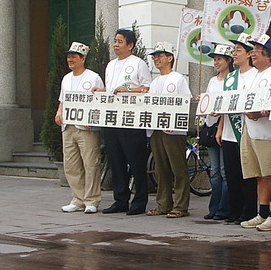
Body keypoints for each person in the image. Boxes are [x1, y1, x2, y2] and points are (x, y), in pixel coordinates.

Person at [96, 29, 152, 215]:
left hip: (132, 120)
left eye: (120, 41)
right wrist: (101, 92)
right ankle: (120, 200)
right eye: (115, 41)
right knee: (116, 161)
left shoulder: (138, 64)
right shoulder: (110, 65)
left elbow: (147, 89)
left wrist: (128, 91)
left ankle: (140, 201)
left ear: (130, 45)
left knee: (136, 161)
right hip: (112, 119)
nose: (116, 45)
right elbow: (111, 90)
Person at [239, 34, 271, 232]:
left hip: (268, 133)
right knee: (258, 175)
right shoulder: (254, 75)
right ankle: (263, 212)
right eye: (253, 50)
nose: (253, 54)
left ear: (269, 54)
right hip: (250, 130)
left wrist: (259, 112)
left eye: (257, 50)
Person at [55, 42, 105, 214]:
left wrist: (94, 120)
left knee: (90, 163)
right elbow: (62, 100)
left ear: (83, 59)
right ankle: (78, 199)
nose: (70, 60)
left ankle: (92, 200)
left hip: (86, 128)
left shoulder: (93, 77)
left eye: (73, 57)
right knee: (71, 164)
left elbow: (101, 102)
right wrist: (59, 112)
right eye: (68, 57)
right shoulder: (66, 78)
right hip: (68, 126)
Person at [145, 41, 192, 218]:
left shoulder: (178, 78)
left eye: (160, 56)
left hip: (173, 131)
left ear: (170, 58)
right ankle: (163, 204)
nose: (156, 59)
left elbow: (186, 102)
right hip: (156, 129)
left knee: (178, 168)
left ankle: (180, 205)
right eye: (155, 56)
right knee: (160, 168)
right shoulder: (155, 81)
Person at [218, 33, 258, 224]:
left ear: (249, 53)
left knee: (247, 175)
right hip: (228, 132)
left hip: (246, 132)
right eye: (234, 50)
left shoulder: (256, 75)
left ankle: (248, 212)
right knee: (232, 174)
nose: (234, 53)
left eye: (239, 50)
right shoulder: (230, 78)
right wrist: (220, 129)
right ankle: (234, 211)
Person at [203, 43, 234, 221]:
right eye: (214, 59)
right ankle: (213, 207)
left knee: (224, 171)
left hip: (224, 127)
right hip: (210, 125)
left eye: (219, 59)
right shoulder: (212, 81)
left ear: (229, 60)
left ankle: (224, 208)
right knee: (214, 171)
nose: (216, 62)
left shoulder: (232, 80)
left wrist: (220, 123)